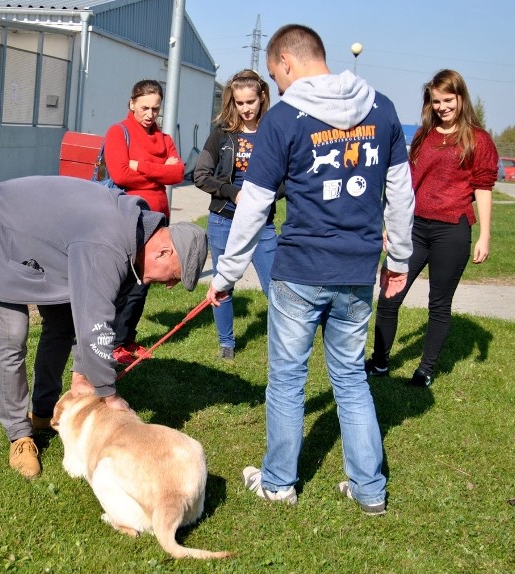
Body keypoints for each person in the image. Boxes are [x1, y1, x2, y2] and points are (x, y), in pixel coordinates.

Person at [205, 24, 414, 514]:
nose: (277, 87)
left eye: (277, 77)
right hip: (357, 272)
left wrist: (225, 274)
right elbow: (401, 195)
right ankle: (369, 490)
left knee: (286, 380)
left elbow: (254, 204)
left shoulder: (284, 117)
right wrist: (399, 260)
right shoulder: (382, 108)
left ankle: (279, 482)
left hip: (300, 271)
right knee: (350, 379)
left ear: (285, 61)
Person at [0, 175, 207, 479]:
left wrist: (82, 375)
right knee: (13, 332)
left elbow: (94, 313)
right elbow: (95, 326)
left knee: (62, 323)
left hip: (39, 237)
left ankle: (43, 412)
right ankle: (19, 434)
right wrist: (108, 394)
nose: (169, 287)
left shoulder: (135, 236)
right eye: (173, 277)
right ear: (163, 252)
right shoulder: (108, 242)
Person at [366, 69, 497, 388]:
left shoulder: (478, 140)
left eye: (448, 100)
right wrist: (391, 224)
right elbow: (404, 184)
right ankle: (380, 362)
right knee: (389, 296)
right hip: (413, 228)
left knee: (439, 303)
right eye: (436, 101)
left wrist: (484, 235)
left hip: (451, 231)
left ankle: (424, 370)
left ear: (461, 98)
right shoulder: (424, 135)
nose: (442, 106)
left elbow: (483, 187)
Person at [194, 69, 278, 360]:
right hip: (223, 220)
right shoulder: (222, 134)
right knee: (223, 283)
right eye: (240, 103)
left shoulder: (274, 132)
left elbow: (288, 178)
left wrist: (263, 197)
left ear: (262, 97)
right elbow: (200, 175)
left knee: (276, 287)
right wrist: (233, 192)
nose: (245, 109)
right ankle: (226, 343)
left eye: (250, 102)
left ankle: (282, 345)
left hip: (262, 223)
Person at [104, 79, 185, 365]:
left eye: (155, 109)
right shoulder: (119, 132)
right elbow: (122, 174)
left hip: (159, 221)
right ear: (132, 104)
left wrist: (142, 166)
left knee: (144, 284)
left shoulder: (164, 138)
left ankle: (127, 337)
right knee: (126, 281)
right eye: (145, 108)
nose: (150, 114)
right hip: (130, 220)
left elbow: (178, 175)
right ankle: (110, 341)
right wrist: (161, 170)